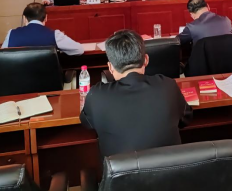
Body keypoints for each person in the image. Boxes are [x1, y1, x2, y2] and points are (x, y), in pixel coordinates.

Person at [80, 30, 193, 158]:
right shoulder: (168, 86)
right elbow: (186, 118)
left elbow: (87, 123)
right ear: (146, 59)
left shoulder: (97, 96)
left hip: (121, 171)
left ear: (110, 67)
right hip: (170, 169)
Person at [1, 3, 84, 55]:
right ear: (46, 18)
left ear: (24, 18)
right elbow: (79, 50)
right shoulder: (55, 35)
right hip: (49, 78)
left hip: (18, 78)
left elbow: (1, 55)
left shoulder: (11, 33)